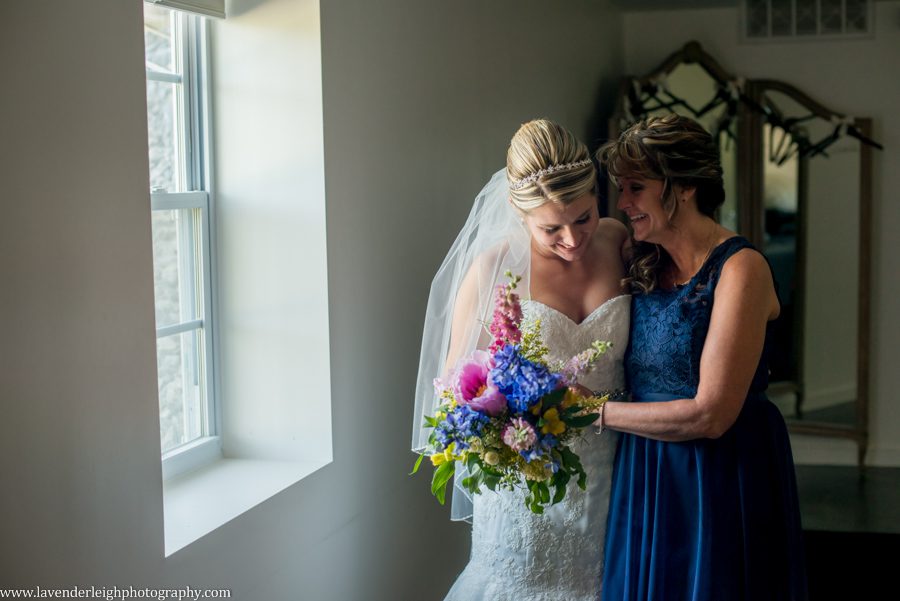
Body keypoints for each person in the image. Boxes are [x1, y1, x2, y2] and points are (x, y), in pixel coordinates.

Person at [412, 119, 630, 600]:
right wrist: (510, 428)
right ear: (517, 210)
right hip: (527, 481)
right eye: (551, 228)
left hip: (616, 469)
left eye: (584, 217)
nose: (573, 240)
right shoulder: (491, 270)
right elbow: (457, 392)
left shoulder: (619, 242)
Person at [596, 114, 808, 600]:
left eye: (636, 188)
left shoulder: (741, 269)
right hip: (647, 469)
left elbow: (711, 414)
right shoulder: (641, 257)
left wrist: (594, 412)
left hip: (719, 474)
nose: (624, 204)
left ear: (684, 186)